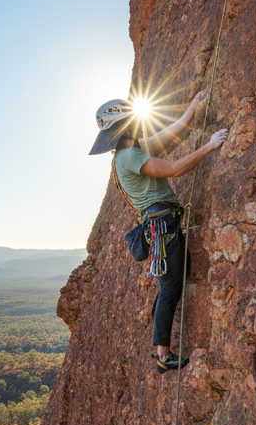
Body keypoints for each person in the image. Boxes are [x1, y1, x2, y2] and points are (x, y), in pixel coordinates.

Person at [89, 91, 228, 373]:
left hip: (162, 225)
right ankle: (163, 355)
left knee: (170, 284)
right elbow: (174, 169)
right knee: (170, 288)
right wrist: (210, 146)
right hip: (163, 227)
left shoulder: (133, 151)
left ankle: (161, 343)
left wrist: (192, 106)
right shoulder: (130, 156)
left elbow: (174, 131)